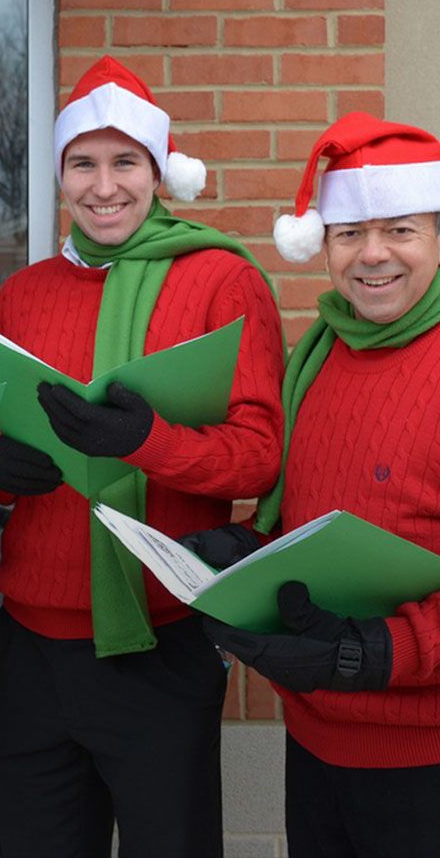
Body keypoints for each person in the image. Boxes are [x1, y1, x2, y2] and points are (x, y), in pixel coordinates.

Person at [0, 56, 284, 858]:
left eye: (125, 163)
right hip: (31, 647)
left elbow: (258, 459)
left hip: (158, 640)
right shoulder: (25, 293)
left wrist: (143, 444)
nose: (103, 186)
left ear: (158, 173)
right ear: (60, 177)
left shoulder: (219, 280)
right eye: (83, 163)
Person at [193, 115, 440, 857]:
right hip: (317, 742)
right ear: (322, 245)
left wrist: (372, 653)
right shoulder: (322, 349)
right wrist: (246, 551)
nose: (371, 256)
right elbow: (309, 512)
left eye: (400, 230)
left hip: (423, 760)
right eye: (346, 233)